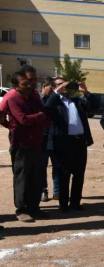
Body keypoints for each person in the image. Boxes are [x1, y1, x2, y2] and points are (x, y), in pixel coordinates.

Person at [1, 72, 49, 222]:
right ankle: (21, 209)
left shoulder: (34, 95)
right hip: (21, 144)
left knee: (37, 177)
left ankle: (34, 207)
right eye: (24, 84)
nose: (29, 86)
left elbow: (45, 113)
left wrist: (38, 117)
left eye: (29, 82)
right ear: (15, 86)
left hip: (37, 141)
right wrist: (11, 126)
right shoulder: (12, 97)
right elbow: (22, 120)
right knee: (22, 177)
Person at [44, 77, 96, 212]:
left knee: (79, 173)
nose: (64, 86)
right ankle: (63, 204)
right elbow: (46, 108)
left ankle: (75, 202)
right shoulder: (54, 101)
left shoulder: (76, 101)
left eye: (65, 83)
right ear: (54, 87)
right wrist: (56, 92)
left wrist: (85, 92)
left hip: (79, 141)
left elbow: (92, 108)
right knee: (64, 174)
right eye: (60, 84)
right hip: (63, 142)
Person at [40, 77, 58, 202]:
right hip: (43, 137)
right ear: (43, 87)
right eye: (49, 88)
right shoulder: (38, 100)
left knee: (57, 165)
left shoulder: (57, 101)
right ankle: (43, 191)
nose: (52, 91)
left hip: (55, 137)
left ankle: (57, 191)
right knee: (42, 166)